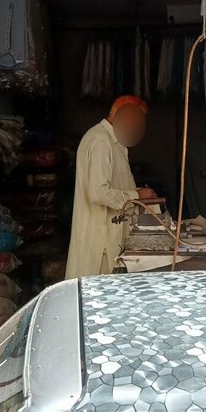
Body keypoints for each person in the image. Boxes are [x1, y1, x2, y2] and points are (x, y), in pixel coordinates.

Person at [65, 96, 157, 279]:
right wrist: (136, 195)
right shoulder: (101, 141)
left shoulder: (112, 141)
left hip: (108, 241)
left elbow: (112, 186)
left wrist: (139, 195)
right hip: (101, 244)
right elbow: (99, 192)